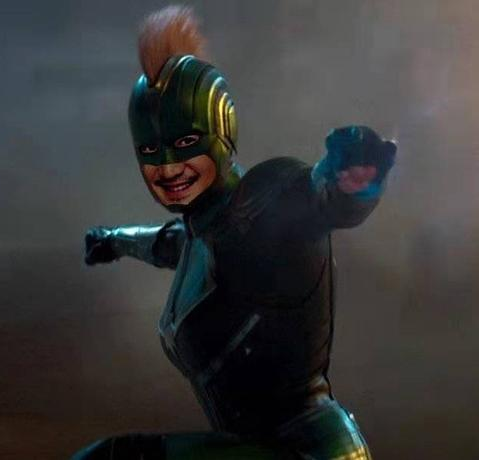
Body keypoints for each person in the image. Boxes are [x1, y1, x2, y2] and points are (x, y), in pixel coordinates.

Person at [76, 6, 397, 460]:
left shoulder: (267, 201)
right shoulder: (204, 231)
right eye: (151, 150)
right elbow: (168, 243)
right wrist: (114, 239)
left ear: (220, 132)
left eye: (185, 144)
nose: (168, 168)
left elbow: (318, 203)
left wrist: (352, 181)